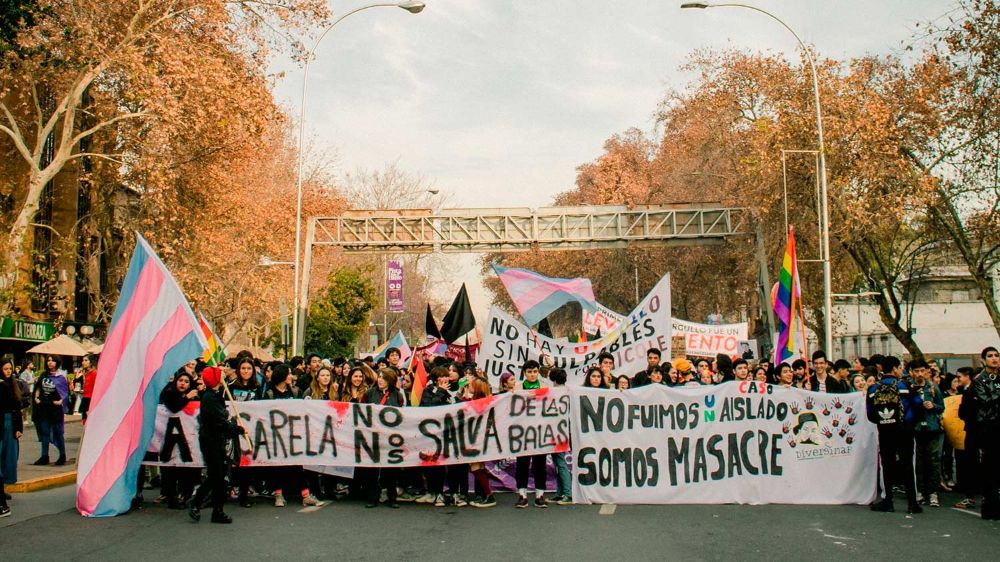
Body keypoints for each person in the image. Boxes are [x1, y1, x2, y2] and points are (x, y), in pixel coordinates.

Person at [188, 366, 245, 524]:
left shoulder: (213, 395)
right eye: (219, 374)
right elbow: (219, 422)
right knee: (217, 476)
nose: (223, 375)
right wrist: (237, 429)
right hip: (211, 441)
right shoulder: (210, 398)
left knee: (217, 477)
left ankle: (212, 509)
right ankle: (202, 505)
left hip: (215, 439)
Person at [867, 355, 920, 514]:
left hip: (884, 430)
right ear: (895, 368)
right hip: (904, 430)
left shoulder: (873, 388)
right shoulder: (904, 386)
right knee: (907, 464)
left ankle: (888, 500)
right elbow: (917, 405)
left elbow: (870, 414)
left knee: (887, 464)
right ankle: (912, 503)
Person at [264, 365, 322, 508]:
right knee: (277, 466)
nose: (291, 376)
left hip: (293, 436)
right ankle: (278, 495)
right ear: (282, 375)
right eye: (289, 374)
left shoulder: (295, 392)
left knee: (297, 465)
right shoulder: (270, 393)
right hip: (277, 436)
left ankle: (306, 495)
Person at [159, 372, 200, 509]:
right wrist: (187, 397)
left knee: (186, 468)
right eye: (181, 380)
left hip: (187, 438)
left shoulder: (195, 395)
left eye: (186, 381)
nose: (183, 383)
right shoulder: (168, 393)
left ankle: (185, 495)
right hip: (170, 437)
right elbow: (174, 407)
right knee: (170, 468)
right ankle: (171, 496)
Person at [362, 369, 403, 508]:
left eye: (383, 378)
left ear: (390, 380)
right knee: (372, 469)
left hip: (390, 437)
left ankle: (392, 497)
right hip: (373, 436)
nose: (380, 380)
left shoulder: (397, 395)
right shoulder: (370, 393)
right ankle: (372, 497)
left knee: (390, 469)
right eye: (379, 377)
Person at [908, 358, 944, 507]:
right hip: (915, 429)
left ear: (927, 371)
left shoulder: (933, 388)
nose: (920, 374)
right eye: (916, 371)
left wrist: (933, 405)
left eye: (922, 371)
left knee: (933, 461)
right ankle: (920, 491)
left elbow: (942, 406)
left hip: (932, 428)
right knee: (918, 462)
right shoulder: (909, 388)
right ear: (911, 372)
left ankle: (933, 492)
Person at [419, 367, 455, 506]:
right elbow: (430, 407)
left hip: (445, 433)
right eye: (441, 377)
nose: (445, 379)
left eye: (446, 376)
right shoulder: (428, 391)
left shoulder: (451, 392)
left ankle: (439, 493)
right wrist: (440, 391)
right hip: (430, 433)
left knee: (440, 464)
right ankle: (431, 491)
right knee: (430, 463)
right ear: (435, 379)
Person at [971, 346, 1000, 519]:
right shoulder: (979, 379)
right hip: (989, 426)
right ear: (984, 360)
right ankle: (989, 506)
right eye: (990, 356)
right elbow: (985, 400)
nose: (994, 359)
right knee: (990, 466)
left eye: (997, 355)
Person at [515, 360, 548, 508]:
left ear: (538, 372)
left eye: (535, 372)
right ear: (524, 373)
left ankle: (540, 495)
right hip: (522, 432)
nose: (532, 374)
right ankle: (522, 494)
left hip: (539, 432)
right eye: (529, 372)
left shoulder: (545, 387)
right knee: (522, 464)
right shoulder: (518, 388)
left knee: (539, 465)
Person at [32, 356, 69, 466]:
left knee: (58, 432)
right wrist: (36, 398)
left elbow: (65, 392)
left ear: (57, 363)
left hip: (55, 408)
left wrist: (61, 401)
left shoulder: (61, 377)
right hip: (44, 407)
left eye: (52, 361)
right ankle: (44, 456)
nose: (50, 363)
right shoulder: (44, 375)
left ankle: (62, 455)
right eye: (48, 360)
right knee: (45, 432)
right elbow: (38, 387)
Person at [1, 358, 24, 518]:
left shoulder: (13, 384)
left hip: (10, 423)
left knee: (9, 457)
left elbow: (17, 407)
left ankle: (3, 488)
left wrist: (18, 428)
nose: (8, 371)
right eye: (5, 368)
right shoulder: (2, 385)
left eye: (10, 368)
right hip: (2, 422)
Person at [546, 368, 572, 506]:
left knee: (560, 463)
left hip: (557, 431)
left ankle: (567, 493)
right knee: (558, 463)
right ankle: (560, 492)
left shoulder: (554, 393)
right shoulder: (567, 391)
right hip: (561, 430)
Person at [79, 354, 98, 421]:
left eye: (86, 360)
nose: (83, 362)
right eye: (83, 360)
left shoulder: (94, 373)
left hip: (90, 399)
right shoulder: (86, 373)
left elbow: (96, 388)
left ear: (91, 362)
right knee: (84, 420)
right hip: (85, 398)